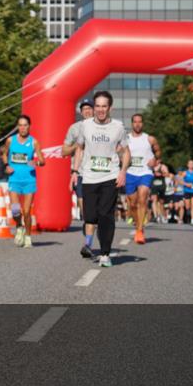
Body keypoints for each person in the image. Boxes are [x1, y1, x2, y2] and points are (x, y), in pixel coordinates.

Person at [62, 91, 129, 268]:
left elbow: (125, 151)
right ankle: (93, 240)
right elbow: (80, 149)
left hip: (110, 176)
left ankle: (105, 254)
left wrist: (123, 171)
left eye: (104, 106)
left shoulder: (118, 127)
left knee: (106, 215)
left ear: (110, 108)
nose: (100, 110)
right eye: (97, 106)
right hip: (89, 177)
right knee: (90, 216)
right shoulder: (85, 126)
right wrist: (75, 171)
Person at [6, 115, 45, 249]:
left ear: (30, 126)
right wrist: (7, 166)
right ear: (18, 127)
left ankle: (28, 237)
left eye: (25, 125)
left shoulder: (34, 142)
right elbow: (4, 154)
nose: (23, 128)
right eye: (20, 125)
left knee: (27, 211)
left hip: (29, 180)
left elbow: (43, 160)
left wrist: (36, 162)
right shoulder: (10, 140)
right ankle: (19, 227)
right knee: (16, 210)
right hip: (14, 179)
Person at [124, 114, 161, 244]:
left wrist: (155, 160)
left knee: (142, 198)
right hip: (130, 173)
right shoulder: (126, 138)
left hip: (145, 172)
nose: (138, 124)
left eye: (140, 122)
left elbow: (158, 152)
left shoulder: (149, 139)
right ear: (132, 123)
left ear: (142, 124)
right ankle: (138, 224)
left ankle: (139, 231)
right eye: (135, 122)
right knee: (132, 204)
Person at [69, 100, 95, 244]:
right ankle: (88, 222)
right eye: (84, 109)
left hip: (97, 173)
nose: (87, 111)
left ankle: (89, 239)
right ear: (80, 112)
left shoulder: (101, 126)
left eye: (89, 108)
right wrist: (77, 146)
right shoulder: (74, 128)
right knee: (83, 205)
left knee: (95, 208)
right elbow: (64, 150)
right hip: (81, 173)